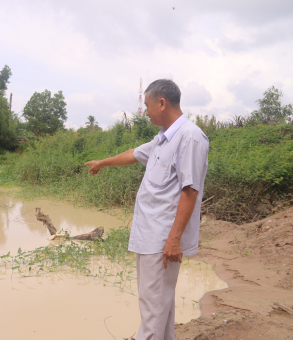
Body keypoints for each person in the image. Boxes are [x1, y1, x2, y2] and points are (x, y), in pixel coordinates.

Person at [84, 79, 209, 340]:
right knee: (158, 304)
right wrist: (102, 162)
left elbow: (190, 191)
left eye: (147, 105)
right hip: (149, 235)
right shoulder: (163, 138)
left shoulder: (190, 137)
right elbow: (133, 154)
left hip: (162, 239)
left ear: (161, 102)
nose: (146, 111)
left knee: (153, 309)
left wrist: (174, 239)